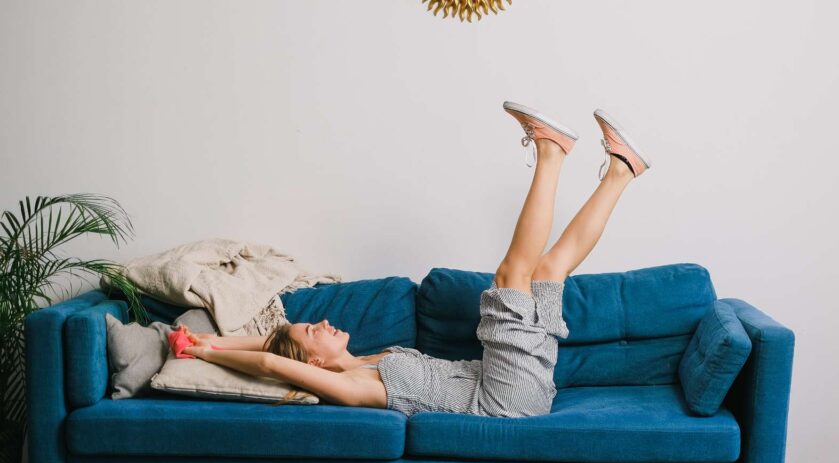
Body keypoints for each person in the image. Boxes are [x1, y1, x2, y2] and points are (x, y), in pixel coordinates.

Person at [182, 101, 651, 417]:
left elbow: (269, 346)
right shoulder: (354, 387)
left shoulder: (364, 359)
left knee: (549, 269)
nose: (321, 322)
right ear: (314, 365)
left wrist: (203, 345)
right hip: (504, 399)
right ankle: (551, 151)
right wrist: (206, 353)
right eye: (312, 332)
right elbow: (272, 363)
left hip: (513, 381)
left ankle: (621, 171)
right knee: (512, 274)